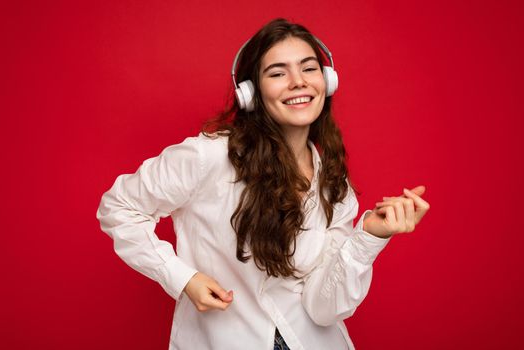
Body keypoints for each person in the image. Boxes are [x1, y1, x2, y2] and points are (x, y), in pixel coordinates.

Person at [96, 18, 430, 350]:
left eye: (309, 68)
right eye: (278, 73)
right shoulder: (208, 156)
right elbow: (119, 208)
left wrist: (370, 235)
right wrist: (183, 278)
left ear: (327, 81)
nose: (298, 82)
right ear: (250, 93)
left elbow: (324, 309)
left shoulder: (332, 182)